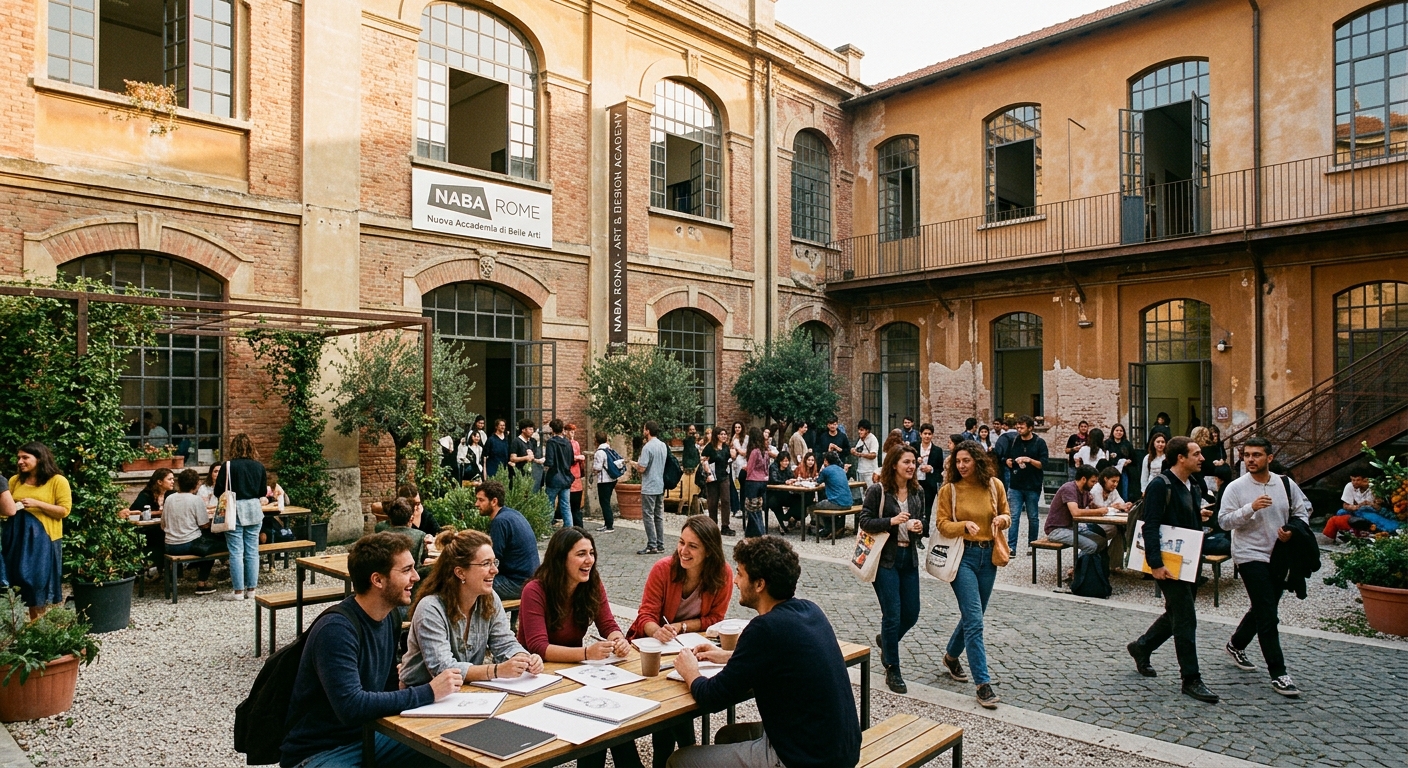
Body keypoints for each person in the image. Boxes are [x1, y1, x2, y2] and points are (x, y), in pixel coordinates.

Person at [670, 536, 861, 768]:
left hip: (804, 759)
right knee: (727, 737)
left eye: (740, 573)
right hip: (840, 749)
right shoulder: (810, 610)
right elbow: (783, 660)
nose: (736, 581)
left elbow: (713, 697)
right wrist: (728, 657)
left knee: (679, 761)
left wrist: (690, 672)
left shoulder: (764, 629)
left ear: (760, 584)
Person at [279, 533, 463, 768]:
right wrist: (429, 692)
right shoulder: (336, 630)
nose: (416, 577)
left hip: (370, 736)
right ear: (378, 580)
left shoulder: (389, 618)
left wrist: (407, 680)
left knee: (449, 752)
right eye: (406, 570)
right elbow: (351, 707)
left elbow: (384, 687)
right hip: (320, 752)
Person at [516, 527, 640, 768]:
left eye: (591, 553)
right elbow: (538, 646)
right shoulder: (535, 590)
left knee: (610, 715)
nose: (589, 560)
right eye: (581, 554)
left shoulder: (591, 583)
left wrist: (618, 640)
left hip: (574, 672)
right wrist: (586, 653)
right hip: (535, 675)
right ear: (561, 558)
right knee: (598, 716)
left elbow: (608, 624)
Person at [629, 516, 734, 767]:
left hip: (691, 647)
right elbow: (645, 615)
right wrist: (658, 631)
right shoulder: (663, 569)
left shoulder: (722, 574)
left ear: (709, 550)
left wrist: (683, 625)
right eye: (681, 542)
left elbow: (715, 618)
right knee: (671, 701)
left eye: (693, 546)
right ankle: (680, 753)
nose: (683, 551)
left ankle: (673, 758)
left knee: (680, 696)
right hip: (653, 649)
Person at [1127, 436, 1219, 704]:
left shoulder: (1192, 485)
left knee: (1176, 613)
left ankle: (1141, 647)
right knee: (1186, 618)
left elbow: (1181, 519)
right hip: (1168, 563)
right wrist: (1155, 564)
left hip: (1187, 560)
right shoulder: (1160, 484)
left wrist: (1196, 514)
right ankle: (1191, 679)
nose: (1202, 458)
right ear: (1181, 457)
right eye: (1197, 454)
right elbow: (1151, 524)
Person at [1218, 437, 1309, 697]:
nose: (1250, 460)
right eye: (1246, 455)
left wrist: (1291, 531)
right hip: (1249, 555)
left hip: (1279, 556)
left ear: (1269, 458)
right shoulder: (1236, 488)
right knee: (1268, 613)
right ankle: (1279, 673)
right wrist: (1250, 508)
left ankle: (1236, 644)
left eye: (1256, 455)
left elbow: (1303, 512)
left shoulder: (1285, 484)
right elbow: (1223, 522)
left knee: (1264, 605)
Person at [401, 528, 543, 688]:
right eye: (485, 564)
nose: (495, 570)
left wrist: (524, 658)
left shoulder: (489, 598)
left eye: (494, 562)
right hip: (420, 696)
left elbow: (504, 642)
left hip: (465, 692)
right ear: (460, 573)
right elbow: (443, 669)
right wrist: (496, 671)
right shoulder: (430, 608)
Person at [934, 440, 1011, 708]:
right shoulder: (950, 490)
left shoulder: (994, 485)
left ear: (978, 460)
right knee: (975, 620)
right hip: (962, 556)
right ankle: (983, 684)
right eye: (957, 461)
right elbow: (942, 524)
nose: (961, 466)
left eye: (966, 460)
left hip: (988, 556)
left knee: (973, 615)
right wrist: (962, 525)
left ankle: (951, 656)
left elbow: (1007, 514)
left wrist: (1002, 520)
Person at [859, 445, 926, 694]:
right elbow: (864, 521)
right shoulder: (878, 491)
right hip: (885, 559)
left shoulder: (918, 492)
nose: (911, 466)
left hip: (908, 558)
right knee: (893, 614)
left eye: (913, 462)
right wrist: (891, 521)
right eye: (906, 462)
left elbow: (925, 521)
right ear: (894, 464)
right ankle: (892, 668)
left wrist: (919, 525)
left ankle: (886, 642)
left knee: (912, 612)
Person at [5, 443, 70, 618]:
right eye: (19, 457)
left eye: (25, 457)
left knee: (38, 585)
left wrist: (37, 504)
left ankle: (43, 627)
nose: (20, 461)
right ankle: (24, 628)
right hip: (17, 538)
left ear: (40, 458)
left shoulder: (57, 481)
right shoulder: (14, 481)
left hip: (43, 540)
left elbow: (64, 511)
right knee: (17, 582)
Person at [214, 433, 267, 601]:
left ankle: (238, 592)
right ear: (251, 447)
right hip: (253, 508)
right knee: (252, 551)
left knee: (236, 552)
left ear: (233, 447)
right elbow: (262, 492)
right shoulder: (259, 466)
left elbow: (218, 491)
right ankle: (251, 590)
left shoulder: (228, 466)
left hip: (234, 509)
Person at [478, 480, 539, 601]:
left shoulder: (500, 522)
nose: (476, 504)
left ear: (494, 501)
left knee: (470, 583)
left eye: (481, 500)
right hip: (531, 579)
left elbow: (493, 558)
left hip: (518, 583)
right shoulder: (513, 514)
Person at [162, 469, 216, 595]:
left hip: (169, 545)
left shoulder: (169, 498)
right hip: (188, 544)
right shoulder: (196, 500)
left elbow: (163, 525)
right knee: (213, 548)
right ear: (196, 485)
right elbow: (204, 524)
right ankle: (201, 583)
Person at [1002, 416, 1048, 551]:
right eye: (1017, 427)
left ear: (1030, 428)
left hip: (1032, 485)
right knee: (1014, 516)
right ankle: (1011, 547)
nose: (1019, 429)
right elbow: (1006, 457)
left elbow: (1043, 464)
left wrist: (1029, 460)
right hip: (1015, 484)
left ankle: (1032, 544)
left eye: (1022, 427)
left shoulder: (1039, 443)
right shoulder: (1014, 441)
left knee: (1033, 517)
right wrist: (1008, 462)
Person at [1044, 465, 1110, 555]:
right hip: (1056, 530)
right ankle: (1078, 568)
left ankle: (1090, 567)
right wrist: (1099, 511)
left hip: (1071, 528)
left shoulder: (1084, 491)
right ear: (1083, 479)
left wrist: (1110, 507)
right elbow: (1075, 512)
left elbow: (1092, 506)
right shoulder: (1069, 488)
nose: (1094, 484)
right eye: (1092, 481)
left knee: (1101, 541)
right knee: (1091, 546)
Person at [1324, 466, 1400, 537]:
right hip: (1356, 511)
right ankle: (1353, 531)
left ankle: (1390, 529)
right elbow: (1345, 505)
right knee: (1341, 512)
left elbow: (1379, 507)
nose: (1354, 482)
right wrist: (1357, 506)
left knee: (1370, 517)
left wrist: (1370, 504)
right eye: (1353, 480)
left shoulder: (1373, 487)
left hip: (1370, 511)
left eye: (1358, 480)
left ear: (1365, 480)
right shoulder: (1349, 486)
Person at [635, 421, 668, 555]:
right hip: (660, 484)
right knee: (658, 515)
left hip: (649, 486)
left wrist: (635, 464)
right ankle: (660, 544)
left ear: (647, 431)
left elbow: (642, 468)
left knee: (648, 515)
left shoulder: (647, 447)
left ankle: (652, 544)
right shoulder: (663, 445)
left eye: (644, 429)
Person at [374, 498, 428, 568]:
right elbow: (423, 559)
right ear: (411, 519)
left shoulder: (380, 536)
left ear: (390, 519)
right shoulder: (420, 535)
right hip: (413, 574)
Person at [701, 427, 736, 536]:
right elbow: (703, 459)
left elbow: (730, 460)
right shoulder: (710, 447)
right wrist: (707, 471)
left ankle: (725, 525)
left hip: (724, 476)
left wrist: (733, 455)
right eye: (721, 434)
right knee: (713, 502)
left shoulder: (726, 447)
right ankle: (713, 525)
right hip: (713, 477)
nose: (724, 436)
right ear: (717, 435)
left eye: (725, 434)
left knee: (726, 500)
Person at [811, 451, 852, 537]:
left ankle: (827, 528)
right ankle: (836, 526)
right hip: (848, 502)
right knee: (826, 505)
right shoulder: (841, 470)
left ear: (826, 461)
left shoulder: (826, 470)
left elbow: (817, 482)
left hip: (837, 502)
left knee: (814, 507)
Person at [543, 419, 575, 528]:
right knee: (566, 506)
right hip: (566, 478)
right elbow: (571, 460)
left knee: (549, 504)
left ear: (552, 429)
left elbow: (550, 461)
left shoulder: (551, 442)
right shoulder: (568, 442)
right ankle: (569, 528)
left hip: (554, 478)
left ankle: (546, 528)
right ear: (562, 429)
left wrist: (542, 462)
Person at [742, 426, 770, 537]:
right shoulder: (765, 451)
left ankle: (760, 532)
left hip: (753, 481)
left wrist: (746, 472)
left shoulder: (754, 452)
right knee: (758, 506)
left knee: (751, 508)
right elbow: (766, 467)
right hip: (762, 480)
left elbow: (750, 467)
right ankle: (750, 532)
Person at [591, 432, 618, 533]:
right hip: (612, 479)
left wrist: (593, 469)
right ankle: (607, 524)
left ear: (596, 440)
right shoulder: (609, 449)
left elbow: (598, 467)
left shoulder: (599, 452)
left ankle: (609, 525)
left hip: (604, 481)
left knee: (604, 503)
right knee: (607, 501)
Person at [915, 423, 944, 518]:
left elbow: (940, 469)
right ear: (920, 434)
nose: (927, 436)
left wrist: (931, 469)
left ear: (932, 435)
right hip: (914, 481)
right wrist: (916, 461)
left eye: (929, 434)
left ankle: (926, 531)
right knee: (914, 507)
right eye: (925, 433)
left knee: (927, 510)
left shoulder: (937, 450)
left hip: (929, 484)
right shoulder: (913, 446)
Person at [1104, 423, 1138, 499]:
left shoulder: (1127, 444)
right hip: (1110, 471)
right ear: (1113, 432)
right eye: (1117, 430)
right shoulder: (1107, 443)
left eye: (1121, 431)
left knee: (1124, 491)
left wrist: (1128, 461)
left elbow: (1133, 458)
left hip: (1124, 471)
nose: (1119, 432)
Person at [766, 452, 796, 533]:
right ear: (779, 461)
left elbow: (792, 476)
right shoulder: (773, 467)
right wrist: (785, 482)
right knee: (774, 503)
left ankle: (786, 518)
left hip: (785, 493)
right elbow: (774, 480)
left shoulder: (788, 468)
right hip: (773, 493)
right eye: (784, 461)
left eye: (787, 461)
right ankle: (782, 522)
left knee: (798, 500)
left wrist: (793, 480)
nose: (786, 463)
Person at [509, 419, 542, 488]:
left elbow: (532, 457)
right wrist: (526, 457)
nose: (532, 431)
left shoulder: (530, 442)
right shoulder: (516, 441)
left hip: (529, 474)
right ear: (523, 430)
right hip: (518, 474)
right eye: (530, 429)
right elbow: (512, 458)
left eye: (533, 429)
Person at [729, 421, 748, 520]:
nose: (737, 429)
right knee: (736, 486)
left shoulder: (746, 438)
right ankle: (737, 508)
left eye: (739, 427)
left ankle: (744, 508)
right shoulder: (733, 439)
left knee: (743, 486)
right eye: (735, 427)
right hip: (735, 463)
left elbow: (744, 452)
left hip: (744, 463)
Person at [852, 419, 880, 484]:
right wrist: (853, 450)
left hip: (870, 471)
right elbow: (856, 449)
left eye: (862, 430)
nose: (859, 432)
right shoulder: (860, 440)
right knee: (862, 493)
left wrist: (861, 454)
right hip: (860, 470)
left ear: (867, 430)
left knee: (870, 492)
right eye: (859, 430)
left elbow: (873, 455)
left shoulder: (873, 439)